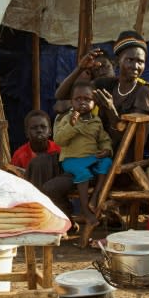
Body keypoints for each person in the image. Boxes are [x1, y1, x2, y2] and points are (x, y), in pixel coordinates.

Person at [91, 31, 149, 150]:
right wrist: (80, 68)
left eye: (140, 62)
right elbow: (63, 95)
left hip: (123, 152)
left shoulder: (144, 91)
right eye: (130, 60)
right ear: (118, 60)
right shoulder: (105, 84)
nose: (135, 66)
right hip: (105, 146)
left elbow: (132, 143)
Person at [54, 80, 113, 227]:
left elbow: (104, 139)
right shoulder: (66, 119)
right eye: (78, 99)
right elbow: (59, 140)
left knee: (107, 162)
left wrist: (106, 149)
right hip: (71, 160)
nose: (82, 102)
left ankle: (95, 196)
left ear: (94, 103)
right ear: (71, 101)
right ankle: (86, 212)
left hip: (91, 158)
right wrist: (73, 126)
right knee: (82, 173)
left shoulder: (96, 121)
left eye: (87, 99)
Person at [7, 110, 74, 217]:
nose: (39, 130)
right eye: (34, 128)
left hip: (55, 196)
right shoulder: (20, 155)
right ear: (26, 133)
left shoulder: (59, 150)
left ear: (50, 131)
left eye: (43, 127)